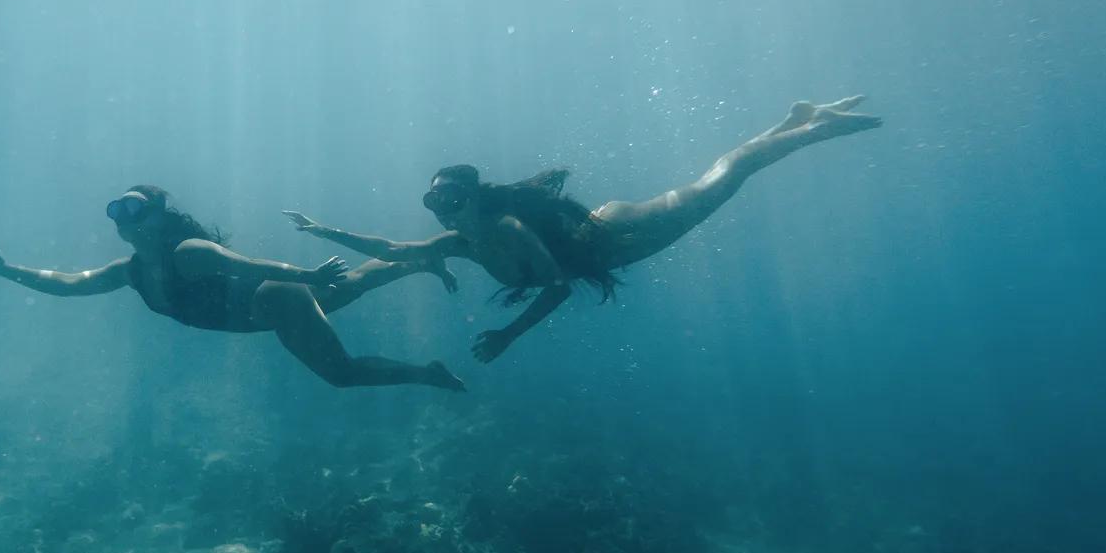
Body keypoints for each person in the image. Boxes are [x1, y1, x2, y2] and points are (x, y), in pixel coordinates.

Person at [283, 96, 880, 363]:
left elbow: (558, 287)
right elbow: (391, 249)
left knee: (720, 182)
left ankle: (814, 129)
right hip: (603, 236)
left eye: (450, 198)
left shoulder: (508, 228)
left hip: (622, 235)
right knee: (716, 183)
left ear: (474, 197)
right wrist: (319, 230)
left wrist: (509, 334)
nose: (441, 209)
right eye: (432, 199)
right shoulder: (461, 242)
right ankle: (794, 119)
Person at [0, 185, 465, 391]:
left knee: (341, 373)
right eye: (117, 212)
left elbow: (248, 265)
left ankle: (427, 374)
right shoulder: (129, 270)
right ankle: (421, 260)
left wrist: (308, 277)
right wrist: (7, 270)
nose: (124, 220)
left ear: (159, 218)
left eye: (135, 209)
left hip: (276, 299)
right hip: (266, 309)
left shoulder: (187, 251)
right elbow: (71, 284)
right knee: (351, 287)